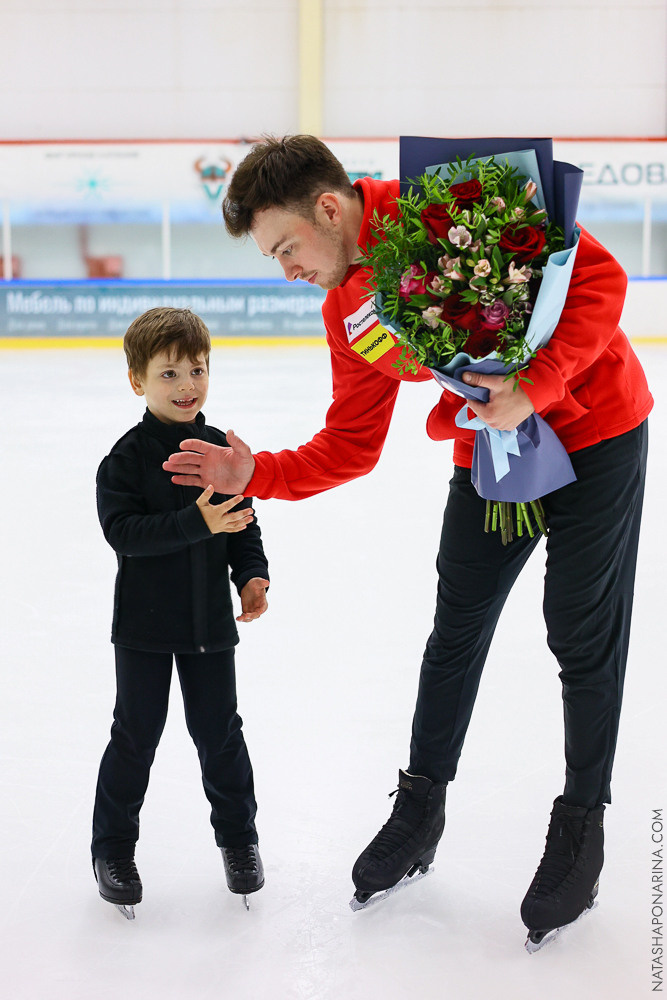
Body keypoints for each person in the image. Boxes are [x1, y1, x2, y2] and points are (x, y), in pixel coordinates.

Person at [162, 135, 653, 945]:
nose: (286, 270)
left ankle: (580, 828)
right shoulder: (344, 309)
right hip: (490, 451)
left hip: (596, 433)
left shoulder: (453, 202)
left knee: (579, 628)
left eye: (285, 248)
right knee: (455, 625)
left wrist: (534, 384)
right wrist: (256, 473)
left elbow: (600, 279)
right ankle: (420, 807)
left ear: (328, 208)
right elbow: (351, 443)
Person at [92, 306, 270, 917]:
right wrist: (195, 522)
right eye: (168, 373)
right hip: (144, 626)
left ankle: (239, 842)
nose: (187, 384)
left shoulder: (220, 450)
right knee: (135, 735)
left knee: (220, 734)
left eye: (197, 369)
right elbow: (123, 533)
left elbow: (242, 522)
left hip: (209, 625)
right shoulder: (124, 459)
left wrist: (251, 574)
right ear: (137, 380)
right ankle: (112, 851)